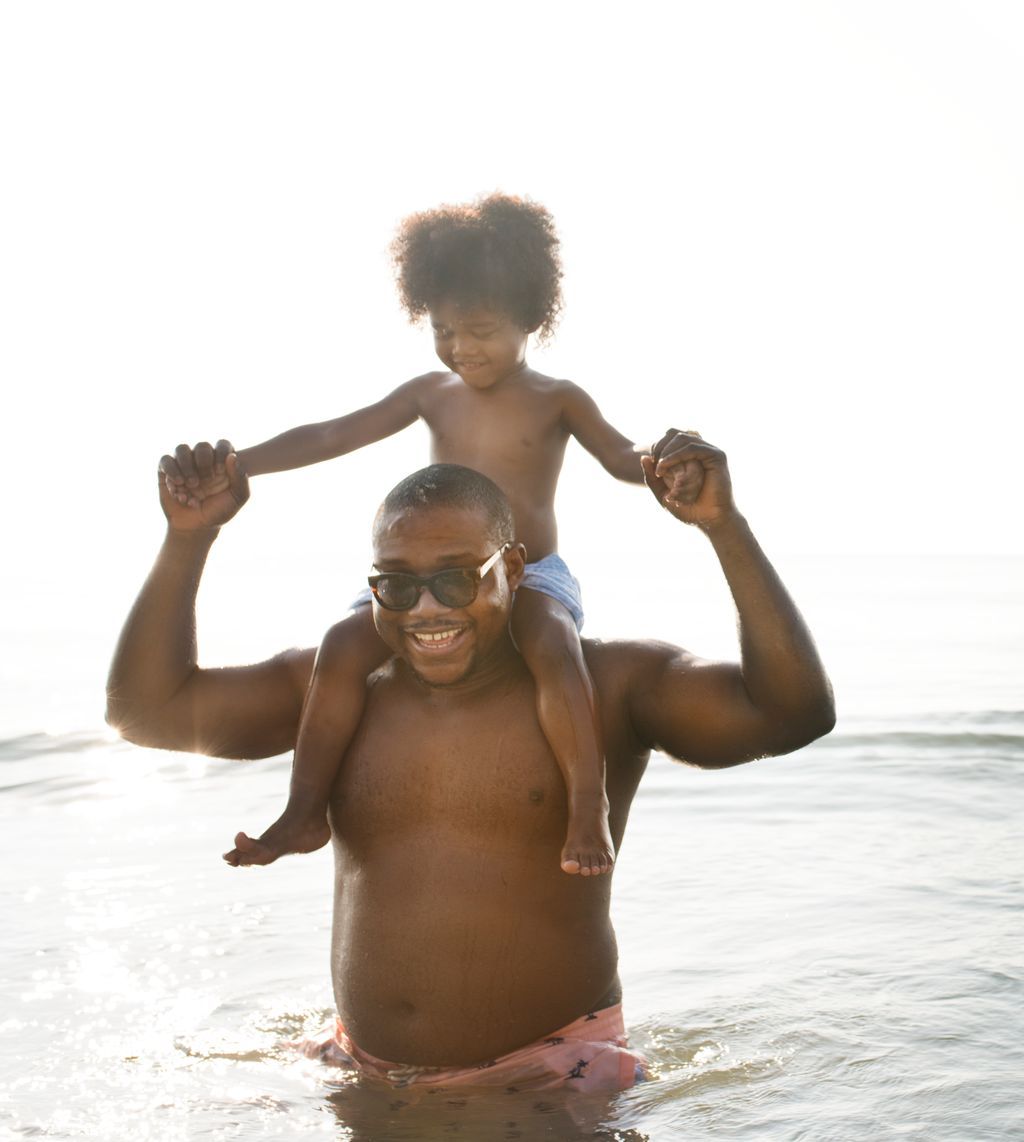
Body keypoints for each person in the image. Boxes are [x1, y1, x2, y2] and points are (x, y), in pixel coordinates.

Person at [108, 431, 833, 1090]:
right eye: (396, 584)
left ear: (512, 568)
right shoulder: (336, 690)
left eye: (456, 578)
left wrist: (722, 528)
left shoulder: (607, 686)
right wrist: (189, 540)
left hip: (550, 1078)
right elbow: (145, 713)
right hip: (363, 1077)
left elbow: (791, 714)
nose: (426, 608)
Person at [165, 192, 680, 876]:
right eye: (443, 329)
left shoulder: (559, 398)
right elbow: (333, 433)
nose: (461, 347)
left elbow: (620, 458)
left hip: (531, 573)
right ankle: (304, 809)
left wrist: (662, 464)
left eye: (481, 328)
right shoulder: (429, 393)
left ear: (530, 316)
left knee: (555, 648)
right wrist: (239, 464)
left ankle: (589, 810)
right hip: (429, 577)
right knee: (343, 644)